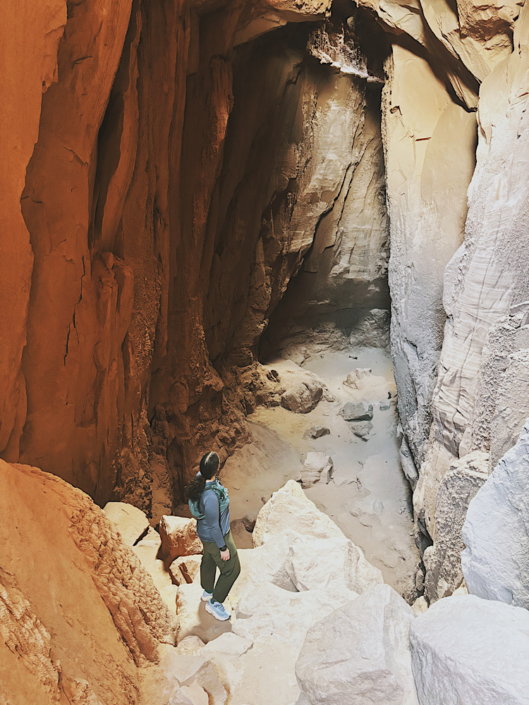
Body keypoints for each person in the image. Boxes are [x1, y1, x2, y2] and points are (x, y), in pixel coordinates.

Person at [185, 451, 240, 621]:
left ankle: (208, 591)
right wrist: (223, 547)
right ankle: (215, 603)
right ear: (216, 469)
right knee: (232, 569)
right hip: (216, 536)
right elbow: (214, 524)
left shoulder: (201, 477)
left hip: (204, 534)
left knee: (208, 558)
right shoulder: (210, 496)